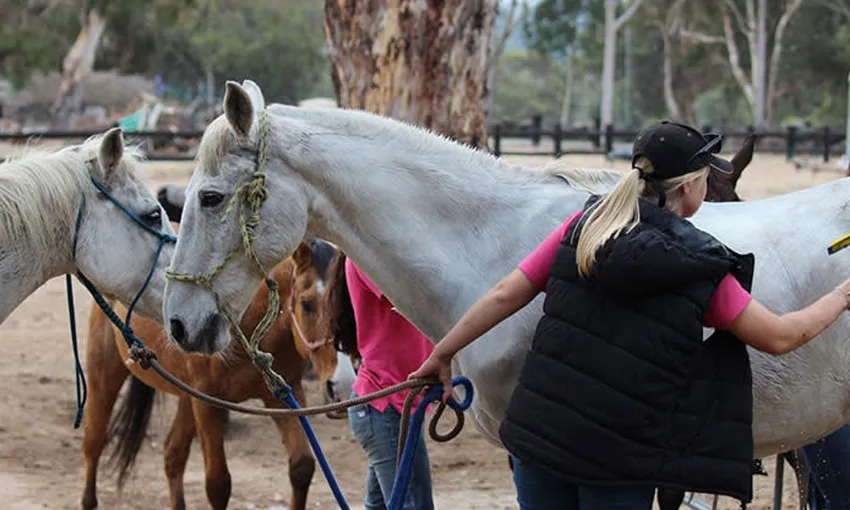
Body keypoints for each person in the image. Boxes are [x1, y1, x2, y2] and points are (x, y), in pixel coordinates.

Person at [409, 121, 850, 510]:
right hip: (618, 459)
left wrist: (442, 353)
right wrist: (844, 294)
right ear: (690, 189)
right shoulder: (701, 268)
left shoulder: (582, 229)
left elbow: (505, 294)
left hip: (537, 440)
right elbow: (781, 336)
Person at [333, 255, 436, 510]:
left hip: (395, 407)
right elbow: (415, 293)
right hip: (384, 406)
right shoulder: (366, 259)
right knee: (411, 505)